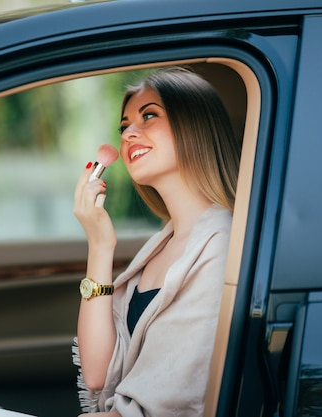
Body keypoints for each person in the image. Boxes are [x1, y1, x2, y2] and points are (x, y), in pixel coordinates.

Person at [72, 66, 241, 417]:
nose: (129, 133)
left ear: (195, 125)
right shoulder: (161, 246)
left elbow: (157, 408)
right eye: (124, 126)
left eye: (149, 115)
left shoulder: (221, 247)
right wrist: (100, 247)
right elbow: (97, 374)